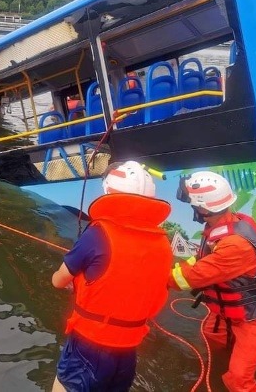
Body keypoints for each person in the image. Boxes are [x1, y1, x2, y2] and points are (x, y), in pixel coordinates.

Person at [51, 160, 173, 392]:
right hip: (128, 350)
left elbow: (58, 281)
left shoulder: (98, 233)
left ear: (109, 191)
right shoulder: (162, 243)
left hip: (88, 345)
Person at [169, 171, 256, 392]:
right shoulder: (227, 225)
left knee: (238, 379)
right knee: (212, 339)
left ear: (203, 209)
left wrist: (158, 276)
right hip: (230, 313)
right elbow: (204, 260)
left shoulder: (235, 246)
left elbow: (191, 277)